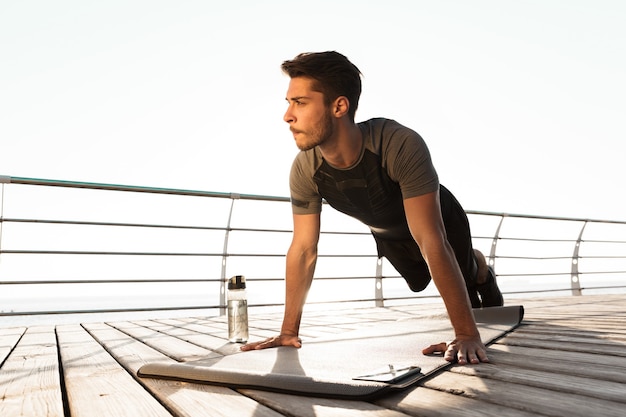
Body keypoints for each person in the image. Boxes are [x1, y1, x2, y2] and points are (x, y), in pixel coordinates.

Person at [241, 51, 503, 364]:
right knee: (419, 283)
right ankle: (471, 268)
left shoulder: (398, 144)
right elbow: (303, 249)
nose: (287, 115)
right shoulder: (305, 169)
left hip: (440, 222)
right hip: (389, 233)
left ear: (339, 106)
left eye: (300, 102)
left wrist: (465, 334)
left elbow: (432, 239)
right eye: (288, 102)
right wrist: (288, 332)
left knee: (463, 274)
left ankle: (480, 270)